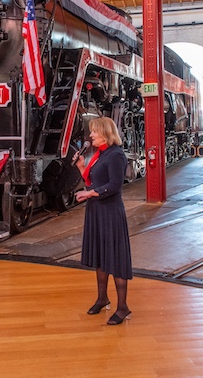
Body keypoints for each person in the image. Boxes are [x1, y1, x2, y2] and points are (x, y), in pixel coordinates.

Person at [74, 117, 133, 325]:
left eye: (94, 132)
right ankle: (102, 298)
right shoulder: (100, 154)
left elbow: (115, 186)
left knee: (116, 258)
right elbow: (94, 181)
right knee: (100, 256)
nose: (90, 136)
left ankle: (123, 307)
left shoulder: (116, 155)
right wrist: (82, 167)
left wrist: (90, 194)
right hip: (97, 211)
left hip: (110, 212)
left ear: (105, 133)